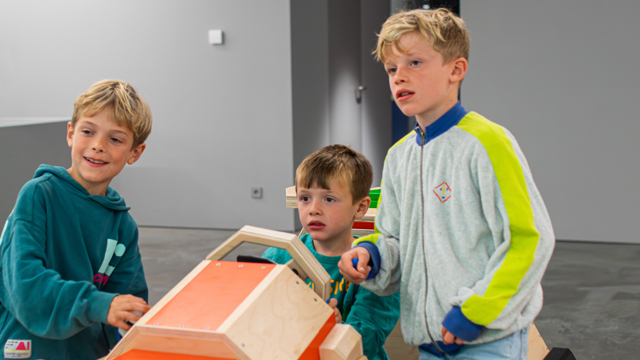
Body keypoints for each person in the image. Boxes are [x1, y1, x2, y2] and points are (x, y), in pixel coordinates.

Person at [338, 8, 555, 360]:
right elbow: (393, 238)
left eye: (414, 63)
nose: (399, 78)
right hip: (429, 343)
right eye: (392, 69)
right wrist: (372, 255)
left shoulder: (488, 143)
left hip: (487, 341)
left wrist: (475, 312)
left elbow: (528, 239)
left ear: (456, 70)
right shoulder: (399, 157)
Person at [0, 80, 153, 360]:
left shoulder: (123, 226)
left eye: (115, 139)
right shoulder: (38, 195)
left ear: (135, 152)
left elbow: (127, 304)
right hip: (29, 352)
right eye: (88, 131)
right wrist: (97, 304)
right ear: (70, 133)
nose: (97, 146)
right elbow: (25, 287)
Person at [263, 145, 400, 360]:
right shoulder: (278, 257)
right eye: (305, 198)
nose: (313, 209)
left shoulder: (374, 266)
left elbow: (369, 339)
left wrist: (336, 331)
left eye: (329, 199)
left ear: (361, 207)